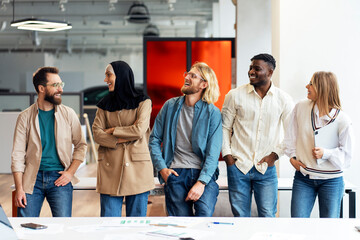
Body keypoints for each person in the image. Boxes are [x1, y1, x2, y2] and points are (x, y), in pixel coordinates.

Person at [222, 53, 293, 217]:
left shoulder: (284, 99)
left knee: (268, 215)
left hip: (266, 169)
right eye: (250, 68)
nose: (251, 72)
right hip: (238, 166)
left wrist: (275, 155)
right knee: (240, 217)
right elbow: (224, 128)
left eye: (257, 69)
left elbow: (291, 134)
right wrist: (228, 157)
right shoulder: (234, 95)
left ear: (270, 72)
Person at [11, 67, 87, 217]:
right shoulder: (24, 117)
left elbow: (81, 145)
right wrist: (19, 188)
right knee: (25, 228)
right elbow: (17, 155)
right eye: (55, 85)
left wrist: (70, 173)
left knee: (63, 229)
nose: (60, 89)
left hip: (60, 178)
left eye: (61, 84)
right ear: (41, 88)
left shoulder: (68, 114)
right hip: (32, 179)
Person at [149, 62, 222, 217]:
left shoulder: (212, 113)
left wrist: (201, 183)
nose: (187, 77)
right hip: (175, 172)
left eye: (193, 76)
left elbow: (213, 153)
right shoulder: (170, 106)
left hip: (203, 172)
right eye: (187, 74)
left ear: (204, 84)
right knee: (179, 223)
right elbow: (154, 139)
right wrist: (162, 169)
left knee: (204, 215)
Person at [284, 71, 353, 218]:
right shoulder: (301, 107)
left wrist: (326, 153)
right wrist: (292, 158)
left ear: (322, 88)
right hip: (304, 178)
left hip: (332, 181)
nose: (306, 86)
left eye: (311, 84)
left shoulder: (343, 120)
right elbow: (290, 136)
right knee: (297, 224)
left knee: (328, 228)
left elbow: (347, 157)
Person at [92, 60, 155, 217]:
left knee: (136, 227)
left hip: (138, 171)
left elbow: (139, 130)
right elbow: (97, 134)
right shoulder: (103, 105)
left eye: (108, 75)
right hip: (109, 170)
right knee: (108, 227)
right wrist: (121, 138)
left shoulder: (143, 101)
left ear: (121, 76)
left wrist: (113, 130)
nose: (105, 80)